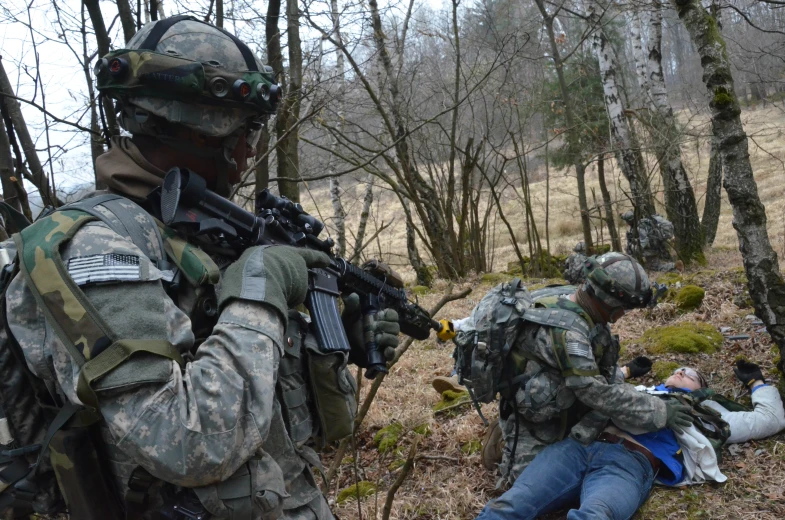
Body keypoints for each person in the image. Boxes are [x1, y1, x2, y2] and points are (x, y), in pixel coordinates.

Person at [1, 17, 399, 519]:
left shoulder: (195, 235)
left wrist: (333, 339)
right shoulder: (91, 249)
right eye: (245, 128)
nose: (251, 149)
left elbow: (275, 421)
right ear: (200, 127)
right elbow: (186, 445)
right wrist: (261, 288)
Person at [461, 252, 693, 485]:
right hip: (534, 417)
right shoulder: (569, 334)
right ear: (608, 301)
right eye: (624, 308)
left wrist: (634, 394)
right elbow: (595, 392)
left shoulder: (576, 303)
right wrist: (659, 411)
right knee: (533, 485)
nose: (623, 314)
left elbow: (602, 374)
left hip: (561, 396)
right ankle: (503, 437)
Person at [475, 360, 785, 520]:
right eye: (678, 368)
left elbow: (770, 420)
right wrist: (626, 371)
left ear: (701, 388)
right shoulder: (639, 393)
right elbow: (594, 387)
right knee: (514, 503)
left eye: (690, 373)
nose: (681, 370)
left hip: (629, 464)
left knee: (597, 515)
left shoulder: (706, 413)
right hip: (579, 448)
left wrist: (758, 382)